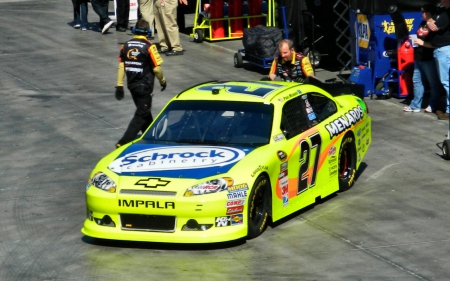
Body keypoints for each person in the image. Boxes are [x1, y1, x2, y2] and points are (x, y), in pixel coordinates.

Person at [115, 19, 167, 148]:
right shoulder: (150, 47)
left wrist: (119, 85)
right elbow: (156, 68)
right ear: (148, 32)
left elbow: (122, 66)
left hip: (131, 85)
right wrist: (162, 80)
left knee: (144, 111)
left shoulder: (125, 46)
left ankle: (152, 137)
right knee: (142, 114)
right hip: (144, 85)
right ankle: (123, 141)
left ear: (133, 30)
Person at [404, 4, 441, 113]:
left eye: (424, 12)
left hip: (429, 58)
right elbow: (420, 36)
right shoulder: (422, 24)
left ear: (429, 12)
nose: (422, 14)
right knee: (417, 81)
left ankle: (433, 104)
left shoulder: (434, 25)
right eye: (422, 12)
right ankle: (415, 105)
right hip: (418, 57)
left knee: (433, 83)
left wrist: (422, 43)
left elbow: (435, 43)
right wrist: (414, 39)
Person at [426, 0, 450, 119]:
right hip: (439, 50)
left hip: (444, 50)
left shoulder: (447, 14)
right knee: (445, 81)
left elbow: (434, 27)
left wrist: (429, 19)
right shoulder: (441, 12)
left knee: (446, 81)